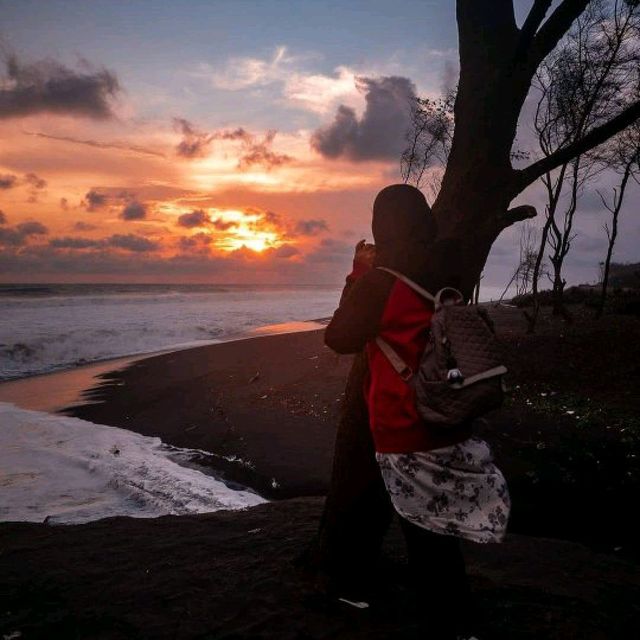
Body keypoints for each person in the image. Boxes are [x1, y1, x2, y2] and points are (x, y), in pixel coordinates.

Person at [324, 183, 510, 639]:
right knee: (415, 515)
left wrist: (358, 275)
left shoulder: (380, 283)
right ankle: (429, 605)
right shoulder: (451, 267)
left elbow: (339, 338)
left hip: (402, 421)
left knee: (420, 527)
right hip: (450, 409)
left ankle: (448, 618)